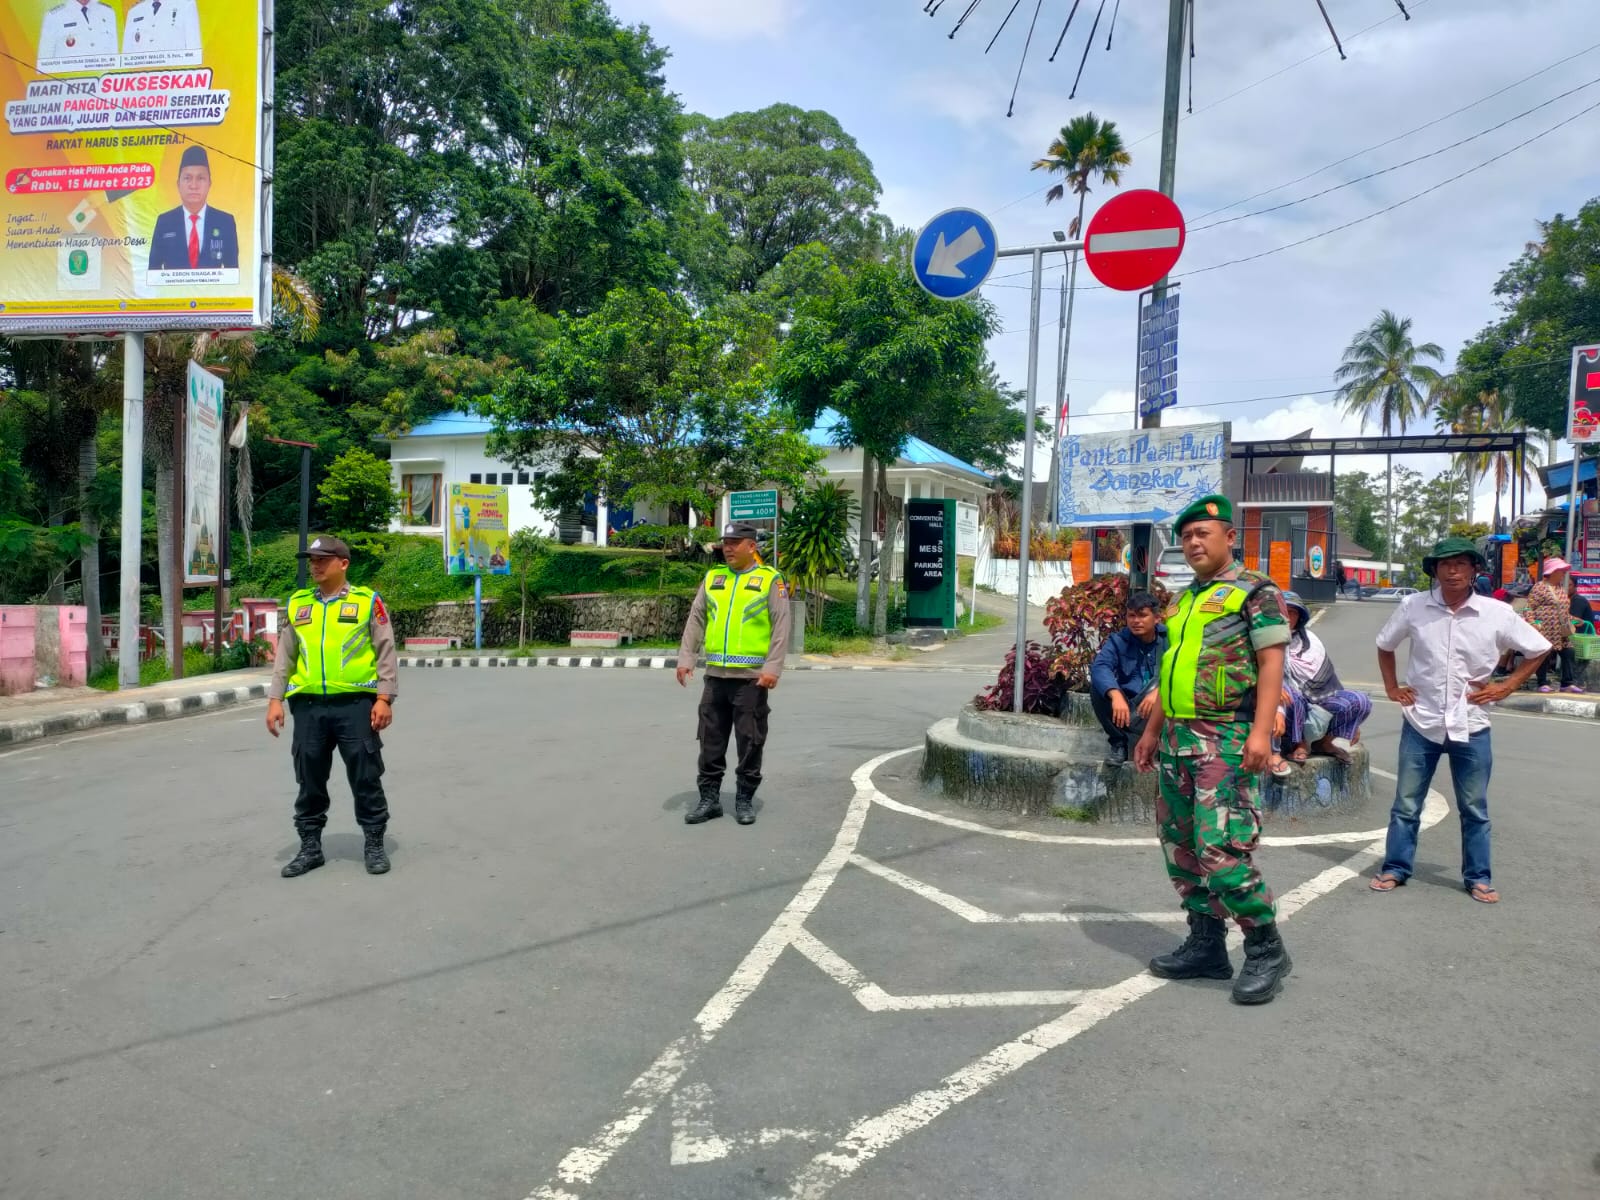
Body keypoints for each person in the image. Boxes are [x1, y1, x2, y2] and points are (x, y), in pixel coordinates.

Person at [1133, 494, 1292, 1006]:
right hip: (1179, 737)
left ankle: (1266, 949)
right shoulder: (1182, 601)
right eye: (1186, 536)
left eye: (1203, 533)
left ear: (1229, 537)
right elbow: (1170, 671)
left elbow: (1272, 664)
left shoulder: (1256, 592)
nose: (1194, 542)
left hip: (1225, 736)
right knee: (1180, 848)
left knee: (1221, 848)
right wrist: (1153, 730)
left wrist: (1261, 734)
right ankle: (1206, 944)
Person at [1370, 538, 1551, 904]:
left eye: (1461, 564)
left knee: (1474, 808)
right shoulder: (1413, 606)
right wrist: (1391, 687)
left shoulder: (1495, 613)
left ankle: (1479, 877)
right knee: (1406, 803)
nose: (1452, 570)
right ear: (1434, 570)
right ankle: (1395, 867)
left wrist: (1508, 685)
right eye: (1444, 564)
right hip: (1422, 722)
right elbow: (1385, 645)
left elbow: (1540, 647)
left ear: (1473, 570)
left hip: (1472, 722)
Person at [265, 536, 399, 878]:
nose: (315, 565)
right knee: (309, 779)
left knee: (366, 776)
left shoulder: (367, 601)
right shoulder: (298, 604)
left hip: (355, 705)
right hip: (308, 708)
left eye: (323, 559)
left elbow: (385, 650)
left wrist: (384, 698)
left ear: (343, 563)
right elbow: (286, 656)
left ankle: (373, 844)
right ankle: (310, 848)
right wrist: (275, 700)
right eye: (312, 559)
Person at [675, 521, 791, 827]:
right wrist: (686, 657)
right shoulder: (714, 577)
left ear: (751, 546)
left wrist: (772, 668)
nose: (727, 547)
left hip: (751, 679)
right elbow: (696, 618)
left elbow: (781, 626)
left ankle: (744, 799)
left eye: (734, 542)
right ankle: (709, 800)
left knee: (750, 741)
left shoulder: (770, 580)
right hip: (715, 678)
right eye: (725, 542)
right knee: (709, 740)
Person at [1280, 590, 1371, 763]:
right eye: (1282, 611)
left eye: (1292, 612)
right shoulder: (1267, 639)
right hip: (1285, 704)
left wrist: (1355, 720)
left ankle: (1324, 742)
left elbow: (1329, 681)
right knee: (1292, 697)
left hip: (1317, 700)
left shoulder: (1311, 641)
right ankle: (1298, 744)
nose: (1286, 616)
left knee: (1359, 701)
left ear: (1299, 617)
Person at [1088, 591, 1167, 767]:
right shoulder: (1119, 640)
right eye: (1131, 616)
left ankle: (1165, 745)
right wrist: (1115, 695)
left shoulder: (1169, 639)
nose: (1136, 621)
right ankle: (1118, 743)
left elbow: (1183, 668)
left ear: (1157, 618)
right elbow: (1100, 667)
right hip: (1131, 709)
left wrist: (1160, 692)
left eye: (1142, 615)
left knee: (1175, 686)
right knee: (1099, 688)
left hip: (1162, 708)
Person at [147, 146, 239, 272]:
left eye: (200, 178)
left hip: (213, 292)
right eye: (187, 178)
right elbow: (153, 270)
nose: (194, 185)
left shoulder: (225, 222)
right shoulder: (165, 222)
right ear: (178, 184)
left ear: (209, 183)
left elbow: (232, 271)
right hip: (174, 291)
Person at [1526, 557, 1578, 694]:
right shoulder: (1540, 587)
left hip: (1561, 629)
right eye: (1561, 571)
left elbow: (1562, 609)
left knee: (1568, 652)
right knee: (1545, 654)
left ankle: (1567, 683)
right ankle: (1542, 682)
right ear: (1553, 572)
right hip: (1545, 629)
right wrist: (1533, 623)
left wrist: (1573, 619)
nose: (1563, 574)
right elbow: (1529, 608)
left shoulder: (1560, 589)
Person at [37, 0, 118, 67]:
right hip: (70, 80)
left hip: (103, 80)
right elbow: (44, 60)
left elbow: (114, 53)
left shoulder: (108, 12)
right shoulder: (54, 16)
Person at [121, 0, 201, 59]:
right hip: (141, 75)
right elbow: (126, 54)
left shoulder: (186, 5)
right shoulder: (134, 11)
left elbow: (194, 51)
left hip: (174, 74)